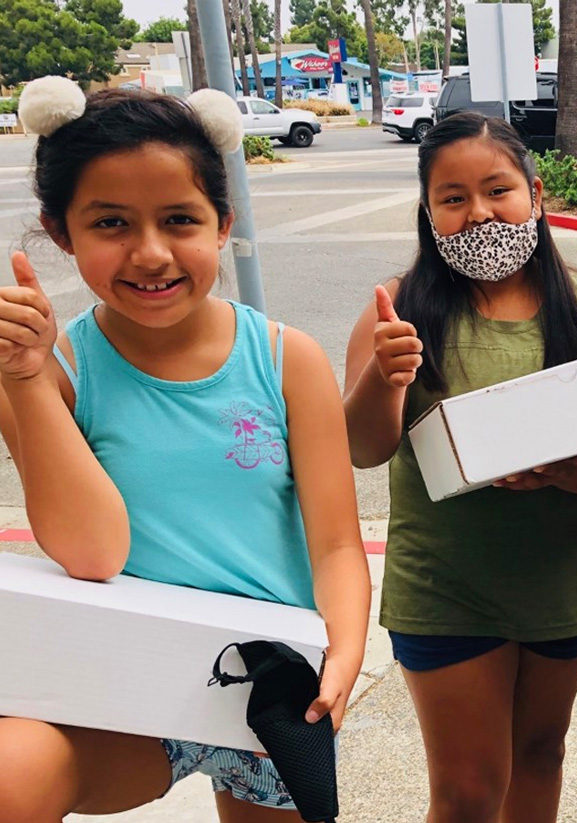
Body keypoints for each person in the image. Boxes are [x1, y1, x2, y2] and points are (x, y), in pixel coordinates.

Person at [0, 78, 370, 822]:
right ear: (60, 230)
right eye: (110, 222)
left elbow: (333, 541)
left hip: (269, 685)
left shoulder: (284, 358)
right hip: (125, 681)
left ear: (223, 223)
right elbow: (92, 550)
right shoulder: (52, 371)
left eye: (180, 219)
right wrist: (29, 382)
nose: (150, 252)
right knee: (15, 771)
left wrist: (346, 649)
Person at [341, 112, 577, 823]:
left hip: (558, 581)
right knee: (467, 790)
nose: (478, 212)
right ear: (427, 213)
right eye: (451, 198)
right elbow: (363, 449)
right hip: (446, 586)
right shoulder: (399, 310)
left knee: (542, 754)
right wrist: (383, 378)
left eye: (496, 189)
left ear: (536, 193)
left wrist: (572, 473)